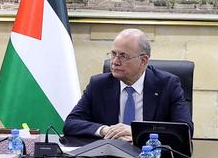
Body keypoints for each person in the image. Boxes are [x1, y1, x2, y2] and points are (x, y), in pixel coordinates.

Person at [63, 28, 192, 141]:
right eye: (113, 54)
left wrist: (137, 132)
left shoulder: (168, 85)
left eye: (123, 56)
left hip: (150, 155)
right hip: (108, 156)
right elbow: (71, 123)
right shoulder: (98, 85)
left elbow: (185, 130)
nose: (115, 62)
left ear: (143, 61)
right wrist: (105, 130)